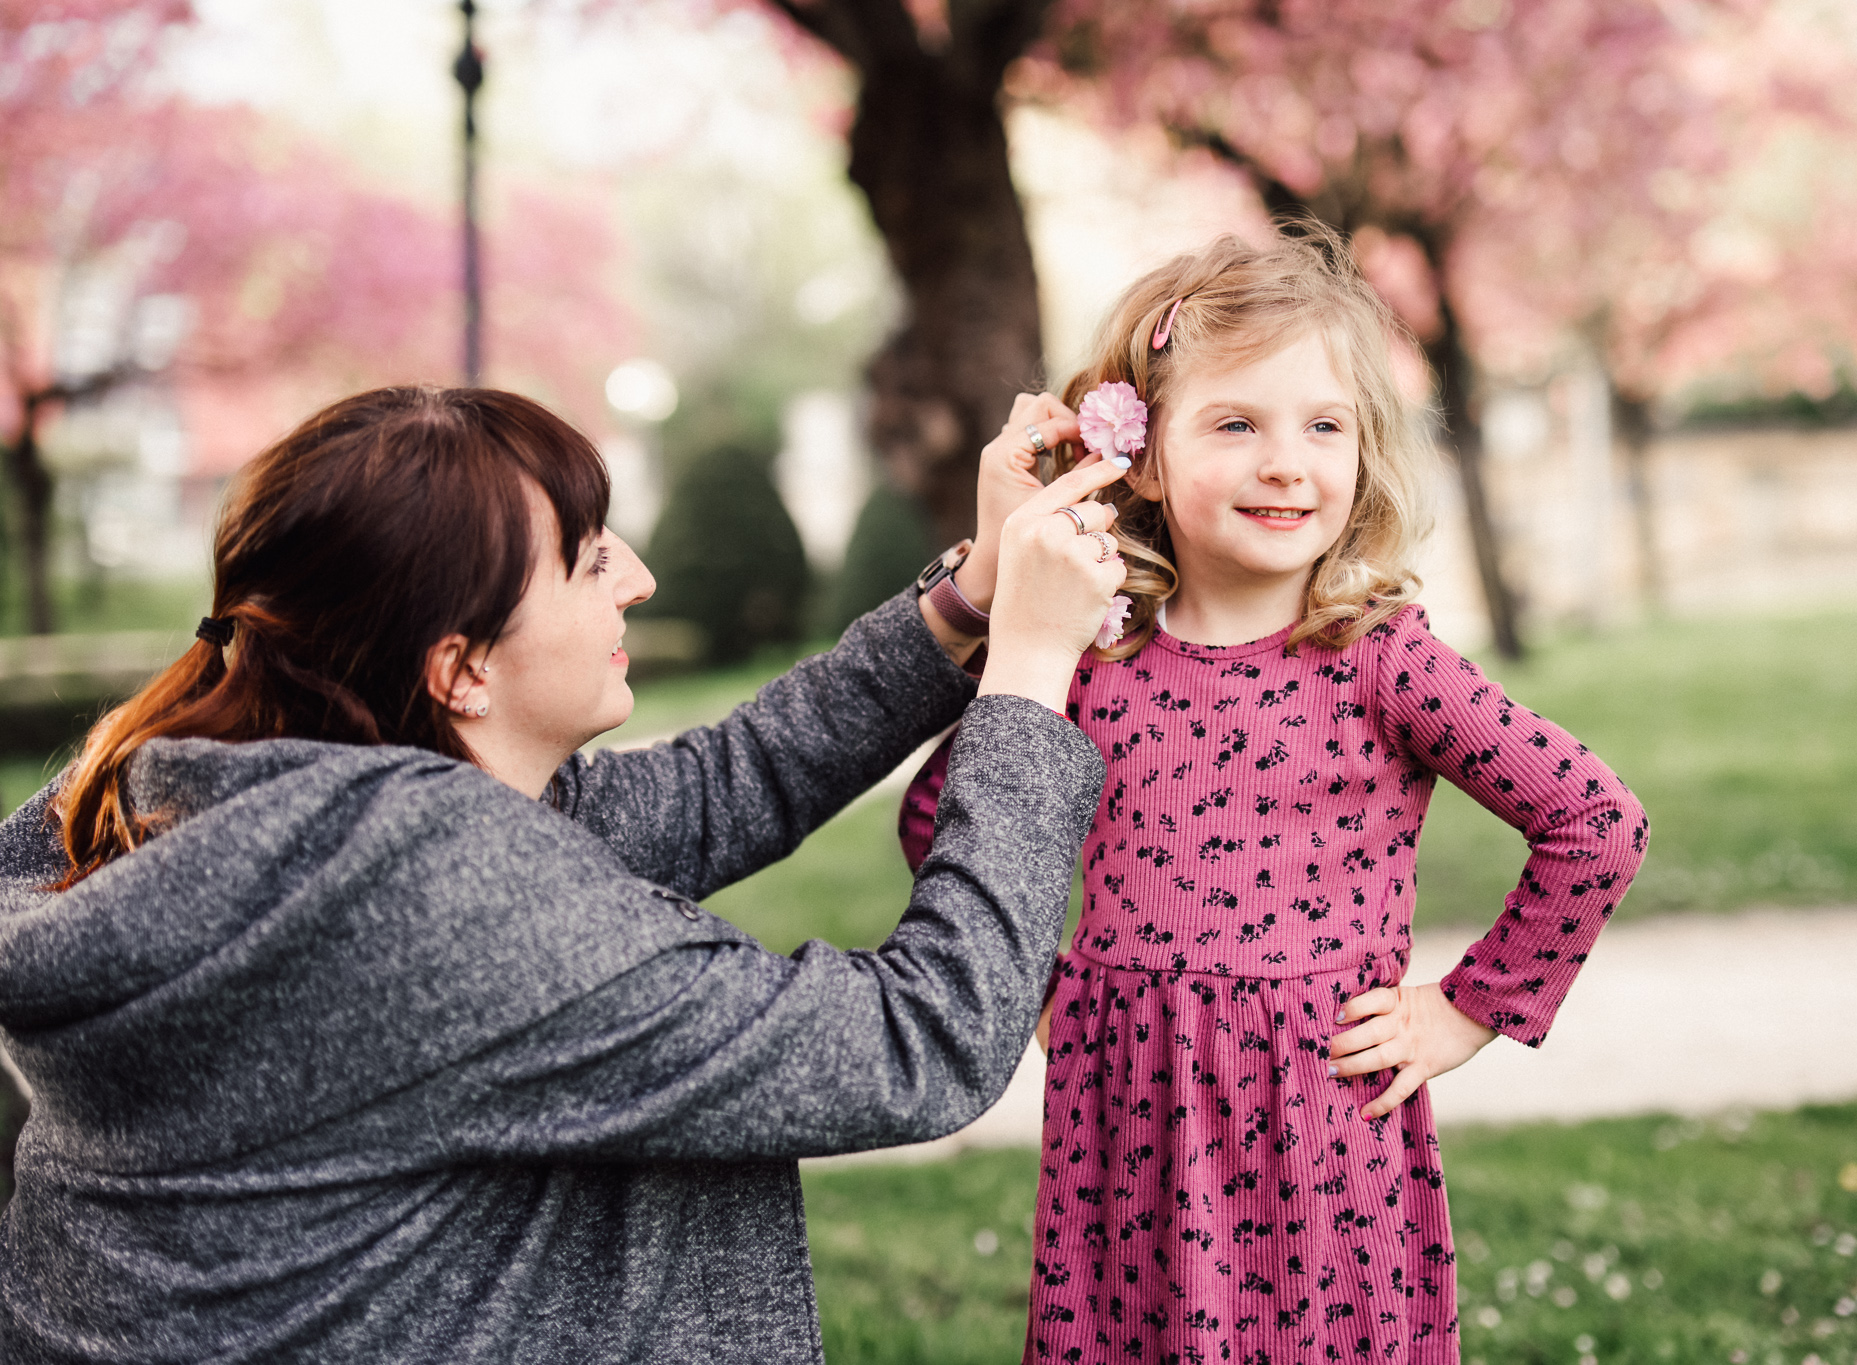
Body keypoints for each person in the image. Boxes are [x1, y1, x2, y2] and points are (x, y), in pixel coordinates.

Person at [0, 384, 1131, 1364]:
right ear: (459, 669)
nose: (637, 578)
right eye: (590, 559)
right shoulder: (434, 909)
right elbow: (918, 1043)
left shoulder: (254, 804)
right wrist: (1028, 674)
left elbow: (722, 787)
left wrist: (970, 598)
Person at [898, 228, 1651, 1364]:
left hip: (1317, 1136)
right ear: (1141, 457)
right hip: (1125, 1128)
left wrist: (1464, 1010)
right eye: (1234, 423)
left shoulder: (1380, 661)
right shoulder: (1087, 658)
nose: (1285, 462)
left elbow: (1594, 821)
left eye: (1322, 425)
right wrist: (1031, 988)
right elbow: (943, 815)